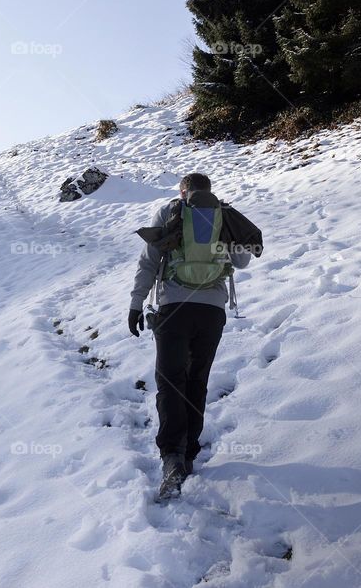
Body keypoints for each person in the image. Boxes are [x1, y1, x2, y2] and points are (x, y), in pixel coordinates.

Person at [128, 173, 253, 499]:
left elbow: (149, 262)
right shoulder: (223, 215)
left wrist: (136, 303)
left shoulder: (170, 212)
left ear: (183, 191)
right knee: (197, 379)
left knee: (170, 381)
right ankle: (190, 452)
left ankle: (172, 458)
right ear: (208, 192)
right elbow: (241, 261)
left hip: (174, 309)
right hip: (211, 311)